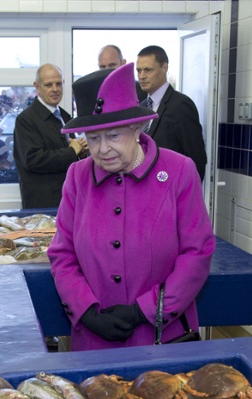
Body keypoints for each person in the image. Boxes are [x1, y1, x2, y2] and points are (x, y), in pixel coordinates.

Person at [46, 63, 215, 352]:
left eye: (113, 136)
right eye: (93, 138)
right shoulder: (78, 176)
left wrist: (144, 311)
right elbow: (63, 253)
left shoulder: (178, 171)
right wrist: (86, 311)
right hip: (95, 339)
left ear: (137, 128)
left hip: (162, 337)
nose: (102, 149)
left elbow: (197, 252)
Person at [13, 63, 88, 209]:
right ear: (37, 86)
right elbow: (32, 159)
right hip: (43, 205)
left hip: (68, 200)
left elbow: (71, 158)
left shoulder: (65, 117)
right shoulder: (26, 120)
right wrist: (72, 151)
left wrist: (81, 153)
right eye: (48, 85)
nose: (55, 89)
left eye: (58, 84)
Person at [137, 45, 208, 181]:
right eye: (139, 71)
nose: (142, 76)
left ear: (165, 68)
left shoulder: (181, 105)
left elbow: (196, 158)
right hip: (145, 190)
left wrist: (187, 197)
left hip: (172, 190)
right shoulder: (142, 106)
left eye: (148, 70)